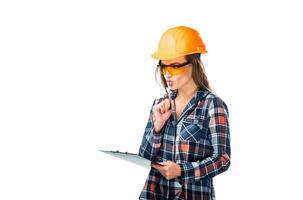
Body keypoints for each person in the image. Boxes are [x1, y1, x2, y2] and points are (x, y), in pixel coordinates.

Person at [138, 26, 231, 200]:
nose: (167, 75)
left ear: (194, 64)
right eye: (163, 67)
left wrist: (181, 170)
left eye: (175, 67)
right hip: (155, 194)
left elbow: (222, 159)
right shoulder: (160, 105)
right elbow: (144, 156)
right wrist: (157, 128)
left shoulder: (212, 105)